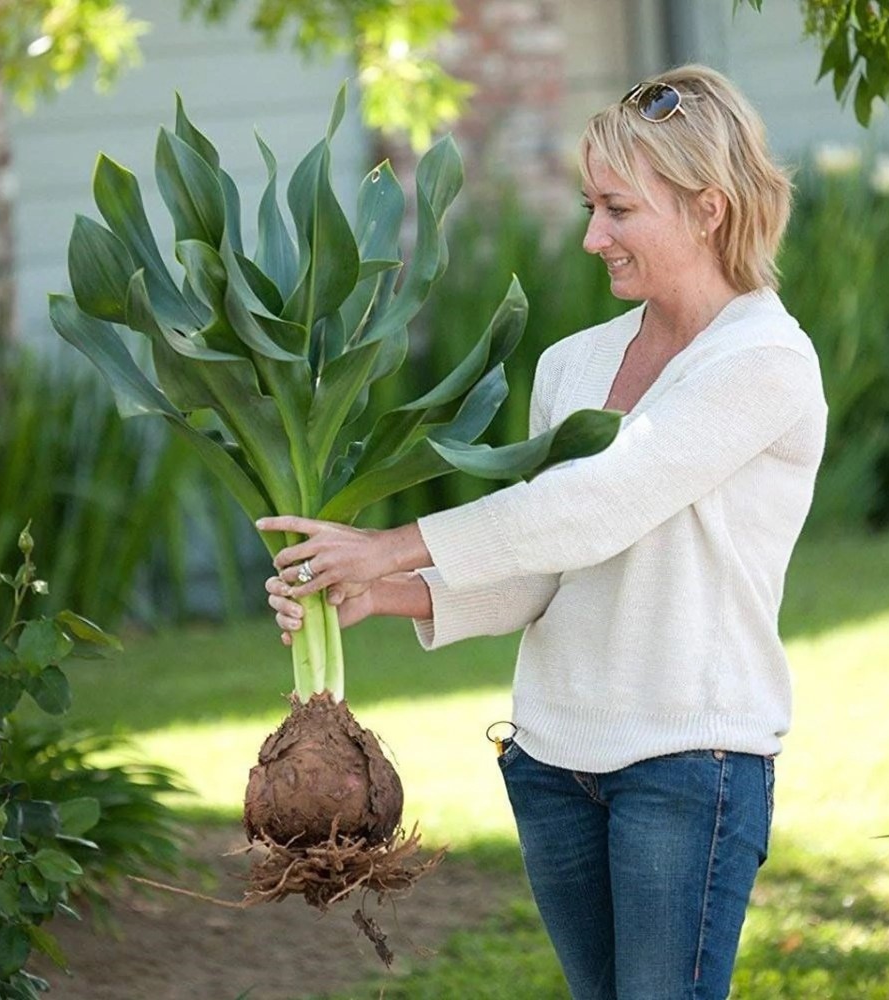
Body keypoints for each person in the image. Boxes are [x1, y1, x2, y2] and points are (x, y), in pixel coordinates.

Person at [258, 64, 828, 1000]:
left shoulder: (764, 362)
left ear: (709, 209)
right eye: (590, 206)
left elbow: (600, 503)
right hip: (553, 763)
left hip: (689, 766)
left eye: (618, 210)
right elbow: (545, 564)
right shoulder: (576, 363)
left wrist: (391, 542)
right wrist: (374, 592)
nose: (593, 235)